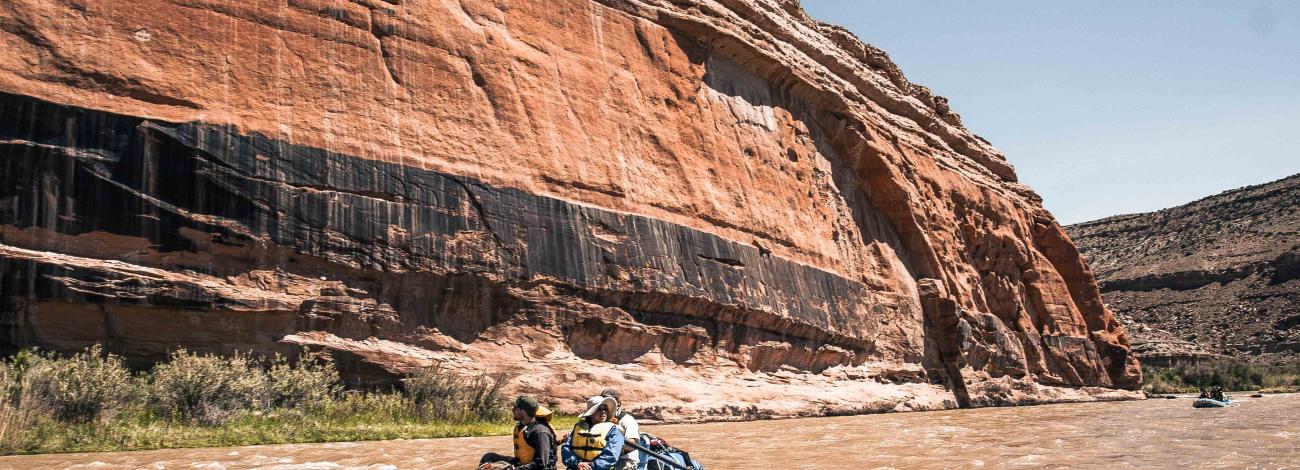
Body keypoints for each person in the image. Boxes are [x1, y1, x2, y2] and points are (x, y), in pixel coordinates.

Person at [478, 396, 557, 470]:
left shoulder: (540, 431)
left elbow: (541, 463)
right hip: (522, 464)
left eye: (515, 408)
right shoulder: (523, 426)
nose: (513, 410)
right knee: (489, 457)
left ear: (523, 411)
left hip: (537, 468)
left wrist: (514, 469)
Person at [561, 396, 625, 470]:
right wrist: (577, 463)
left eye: (605, 409)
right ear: (591, 413)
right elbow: (566, 448)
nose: (603, 411)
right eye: (599, 409)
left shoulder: (613, 431)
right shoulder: (578, 428)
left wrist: (590, 467)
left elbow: (611, 455)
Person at [599, 388, 640, 470]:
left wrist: (610, 442)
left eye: (609, 401)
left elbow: (632, 445)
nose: (606, 404)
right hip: (602, 457)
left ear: (617, 403)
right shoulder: (597, 417)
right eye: (603, 400)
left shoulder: (627, 420)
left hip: (623, 459)